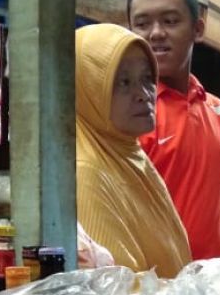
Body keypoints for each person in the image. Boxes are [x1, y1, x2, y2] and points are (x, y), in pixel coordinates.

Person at [127, 0, 220, 262]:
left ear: (198, 29)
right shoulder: (127, 113)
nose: (155, 33)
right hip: (154, 288)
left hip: (213, 285)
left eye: (169, 21)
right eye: (142, 24)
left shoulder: (219, 112)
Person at [74, 23, 191, 278]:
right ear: (89, 91)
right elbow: (120, 292)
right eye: (124, 82)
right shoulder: (87, 173)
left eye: (147, 79)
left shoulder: (130, 155)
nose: (143, 94)